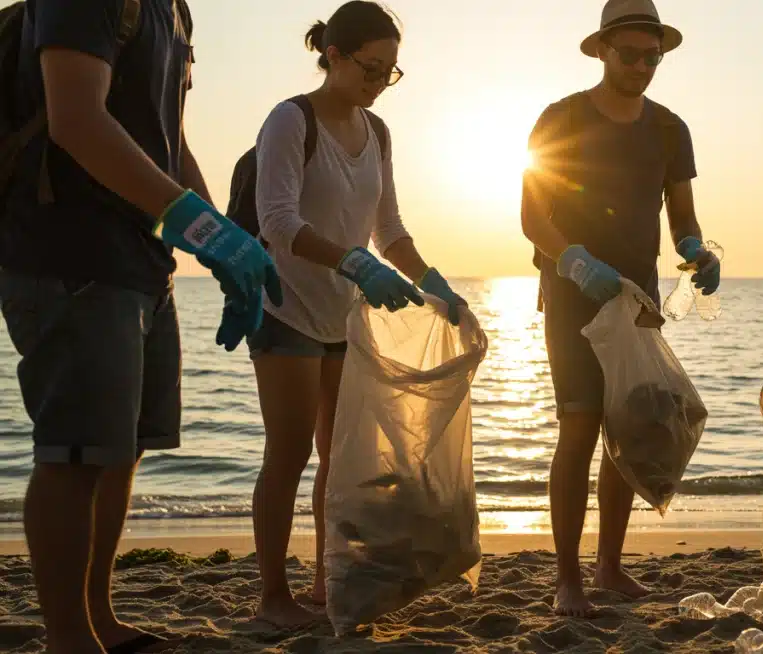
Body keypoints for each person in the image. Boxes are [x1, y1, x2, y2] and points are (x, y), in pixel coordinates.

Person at [0, 1, 281, 652]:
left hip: (144, 263)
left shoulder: (175, 10)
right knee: (74, 454)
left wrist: (219, 241)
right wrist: (203, 229)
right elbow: (76, 120)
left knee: (120, 450)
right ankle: (69, 639)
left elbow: (169, 140)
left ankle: (97, 616)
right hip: (71, 255)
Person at [240, 0, 467, 627]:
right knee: (288, 454)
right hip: (285, 305)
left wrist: (432, 283)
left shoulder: (379, 132)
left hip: (345, 316)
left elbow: (388, 228)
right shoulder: (290, 120)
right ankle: (272, 597)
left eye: (390, 72)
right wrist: (353, 263)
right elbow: (277, 222)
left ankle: (328, 580)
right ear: (333, 56)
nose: (380, 84)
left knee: (341, 459)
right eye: (371, 69)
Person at [521, 0, 720, 617]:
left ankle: (608, 566)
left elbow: (682, 217)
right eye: (629, 54)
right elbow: (531, 217)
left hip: (638, 297)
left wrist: (696, 251)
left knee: (630, 430)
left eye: (651, 57)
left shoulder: (670, 129)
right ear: (603, 50)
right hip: (572, 295)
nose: (641, 66)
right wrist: (576, 262)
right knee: (579, 427)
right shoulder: (561, 118)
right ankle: (568, 578)